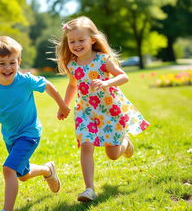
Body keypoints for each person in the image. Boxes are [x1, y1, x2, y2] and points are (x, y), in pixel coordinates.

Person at [55, 16, 150, 202]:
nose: (76, 44)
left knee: (112, 155)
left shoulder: (103, 59)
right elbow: (73, 86)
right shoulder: (72, 65)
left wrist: (107, 82)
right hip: (86, 112)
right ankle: (89, 189)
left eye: (81, 40)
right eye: (72, 41)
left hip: (109, 110)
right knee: (86, 145)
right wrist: (64, 106)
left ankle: (125, 143)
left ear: (92, 39)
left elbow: (123, 77)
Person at [0, 36, 70, 211]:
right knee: (23, 175)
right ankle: (47, 170)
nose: (8, 68)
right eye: (2, 63)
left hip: (29, 134)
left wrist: (63, 106)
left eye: (12, 62)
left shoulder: (25, 80)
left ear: (19, 62)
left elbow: (48, 85)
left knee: (8, 169)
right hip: (10, 137)